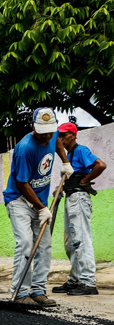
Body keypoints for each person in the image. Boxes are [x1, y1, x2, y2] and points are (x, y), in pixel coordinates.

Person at [2, 107, 72, 307]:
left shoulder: (52, 134)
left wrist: (65, 161)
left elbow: (57, 140)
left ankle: (38, 290)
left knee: (44, 246)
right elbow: (22, 184)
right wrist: (42, 208)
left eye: (51, 131)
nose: (48, 136)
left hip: (38, 201)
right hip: (19, 200)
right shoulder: (24, 149)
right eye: (44, 132)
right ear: (34, 127)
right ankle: (20, 292)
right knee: (25, 243)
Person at [52, 122, 107, 296]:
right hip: (71, 197)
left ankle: (88, 282)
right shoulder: (69, 155)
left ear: (74, 135)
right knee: (70, 242)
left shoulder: (81, 150)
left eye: (63, 135)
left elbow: (101, 165)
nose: (60, 138)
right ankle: (75, 279)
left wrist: (82, 182)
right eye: (59, 135)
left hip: (79, 198)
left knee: (81, 238)